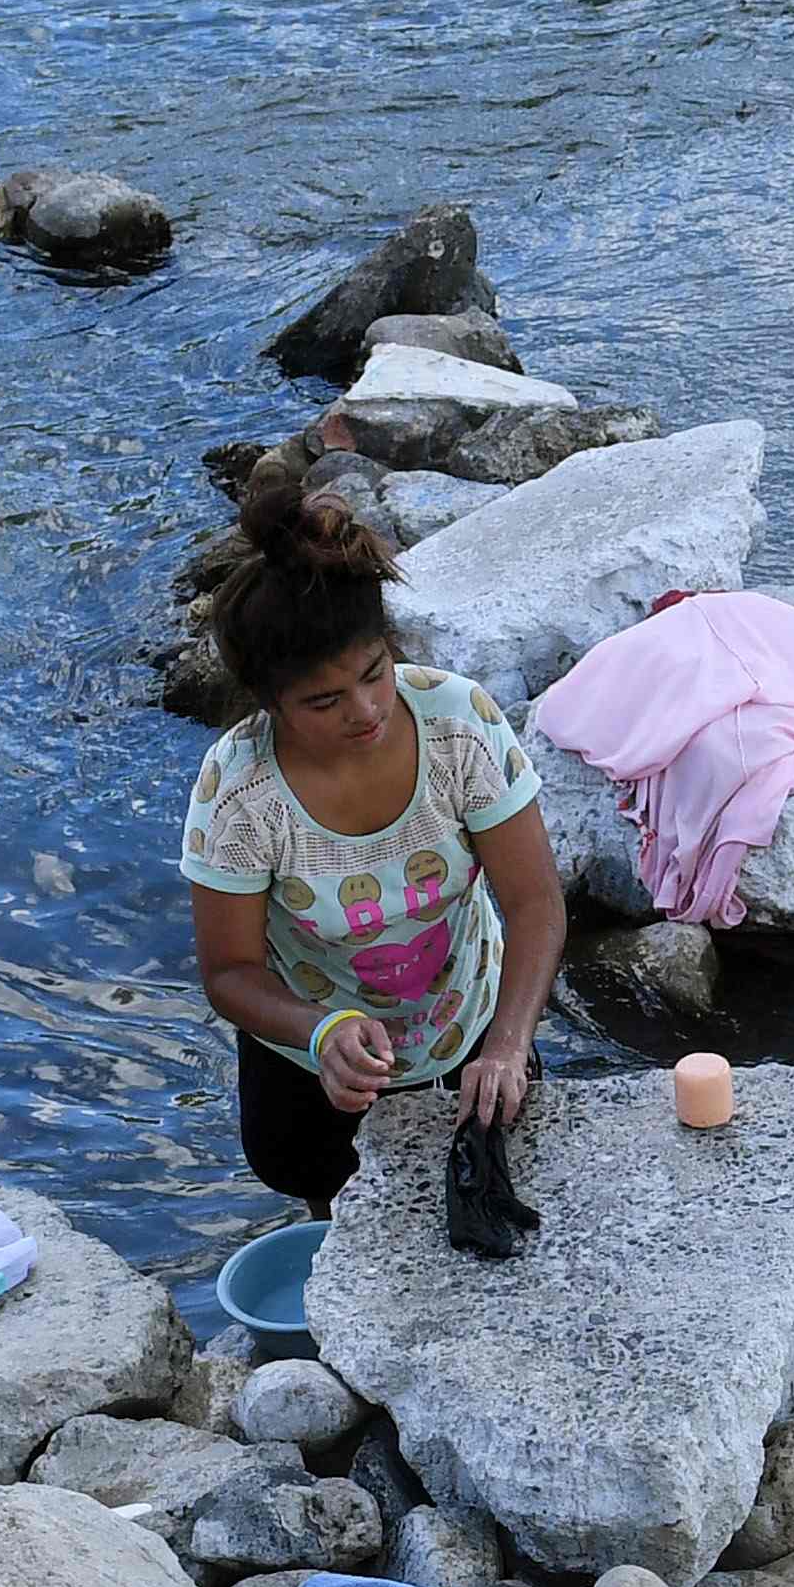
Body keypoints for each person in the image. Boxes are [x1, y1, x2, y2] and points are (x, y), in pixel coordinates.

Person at [180, 459, 566, 1214]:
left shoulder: (458, 725)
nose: (364, 711)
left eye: (374, 671)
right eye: (323, 701)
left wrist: (509, 1044)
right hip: (313, 1069)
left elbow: (535, 901)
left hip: (471, 1028)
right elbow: (229, 972)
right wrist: (321, 1030)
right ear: (269, 701)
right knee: (342, 1222)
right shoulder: (242, 792)